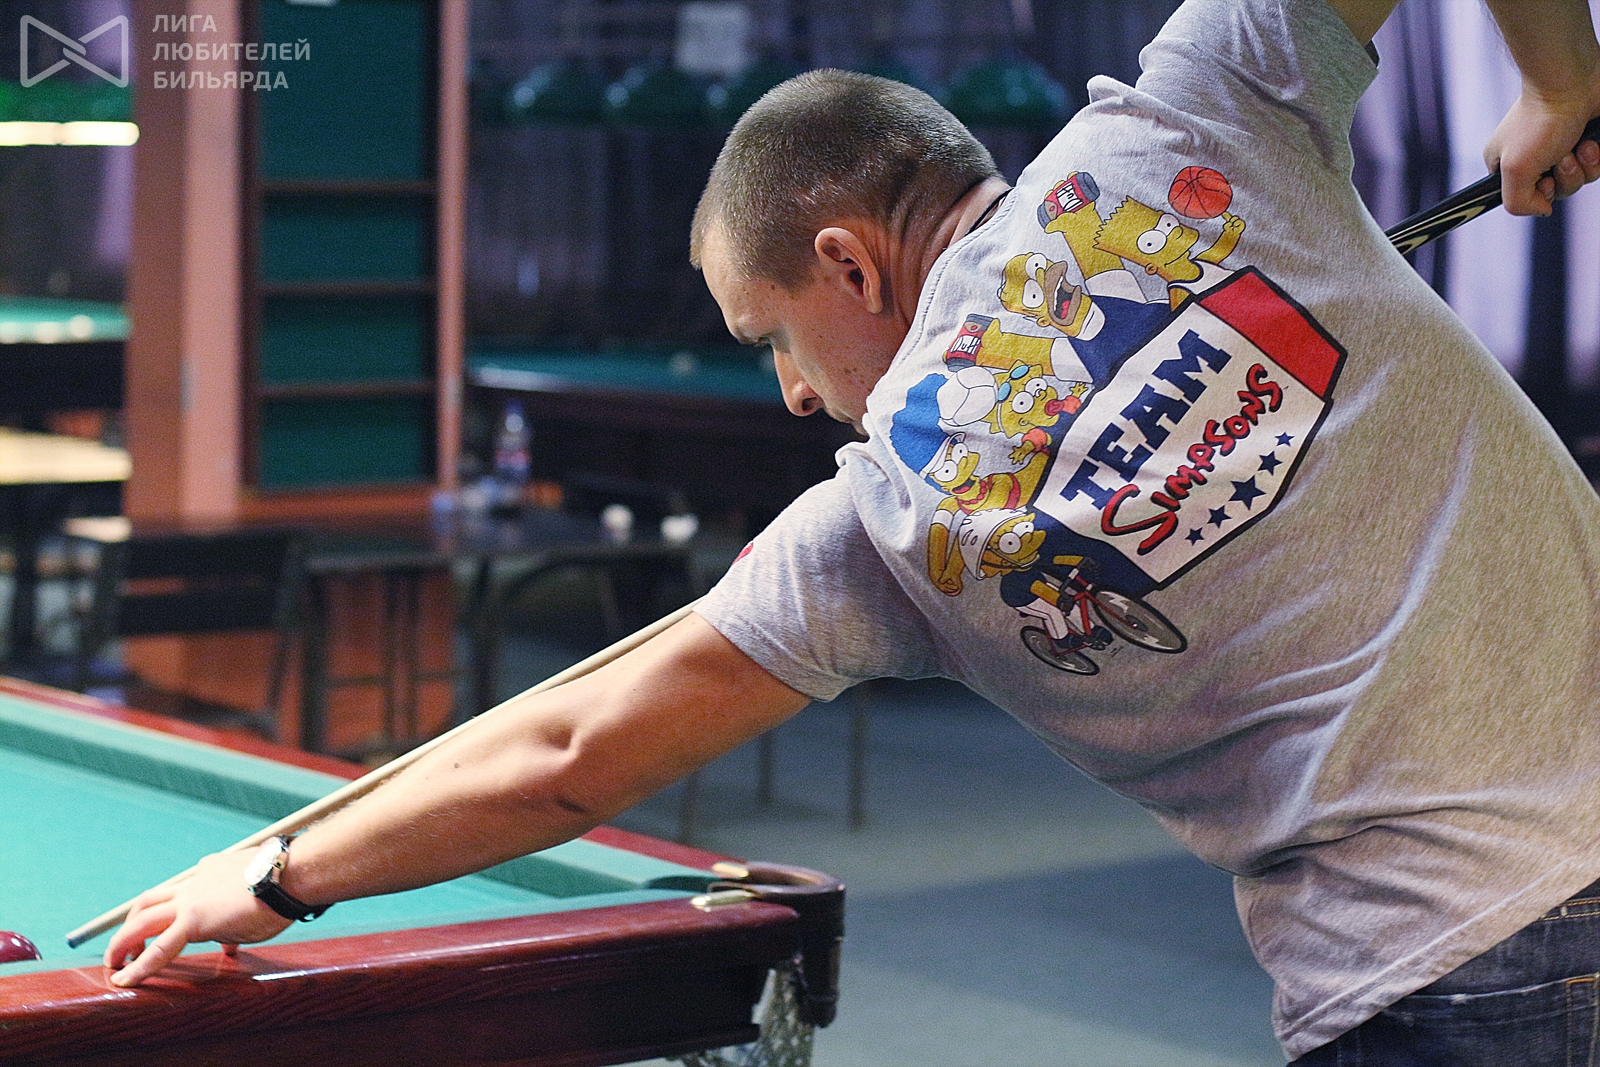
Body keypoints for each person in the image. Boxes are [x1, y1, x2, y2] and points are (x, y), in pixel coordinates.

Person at [106, 0, 1600, 1061]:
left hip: (1444, 976)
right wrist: (1562, 78)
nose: (795, 394)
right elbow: (561, 732)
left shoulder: (889, 526)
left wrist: (282, 879)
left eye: (773, 336)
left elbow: (575, 758)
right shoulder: (1183, 116)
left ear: (849, 263)